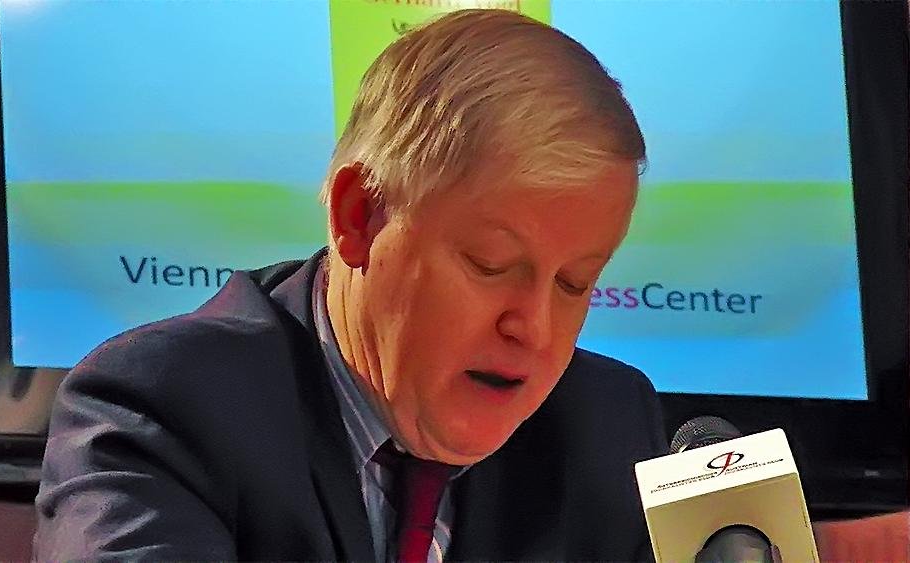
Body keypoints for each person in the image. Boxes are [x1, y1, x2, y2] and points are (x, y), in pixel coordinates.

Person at [34, 9, 667, 561]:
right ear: (360, 217)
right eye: (490, 264)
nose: (534, 328)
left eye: (574, 283)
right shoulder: (163, 408)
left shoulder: (605, 428)